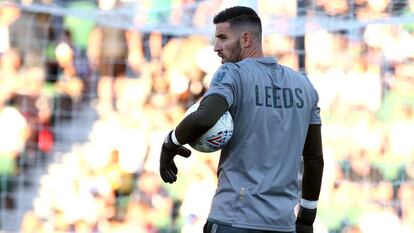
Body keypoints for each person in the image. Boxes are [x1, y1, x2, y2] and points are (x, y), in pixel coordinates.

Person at [159, 6, 324, 233]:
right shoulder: (304, 86)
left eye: (222, 38)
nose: (216, 47)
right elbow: (314, 159)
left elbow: (205, 116)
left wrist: (171, 142)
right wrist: (306, 217)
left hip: (234, 219)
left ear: (246, 39)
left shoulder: (232, 73)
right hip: (282, 225)